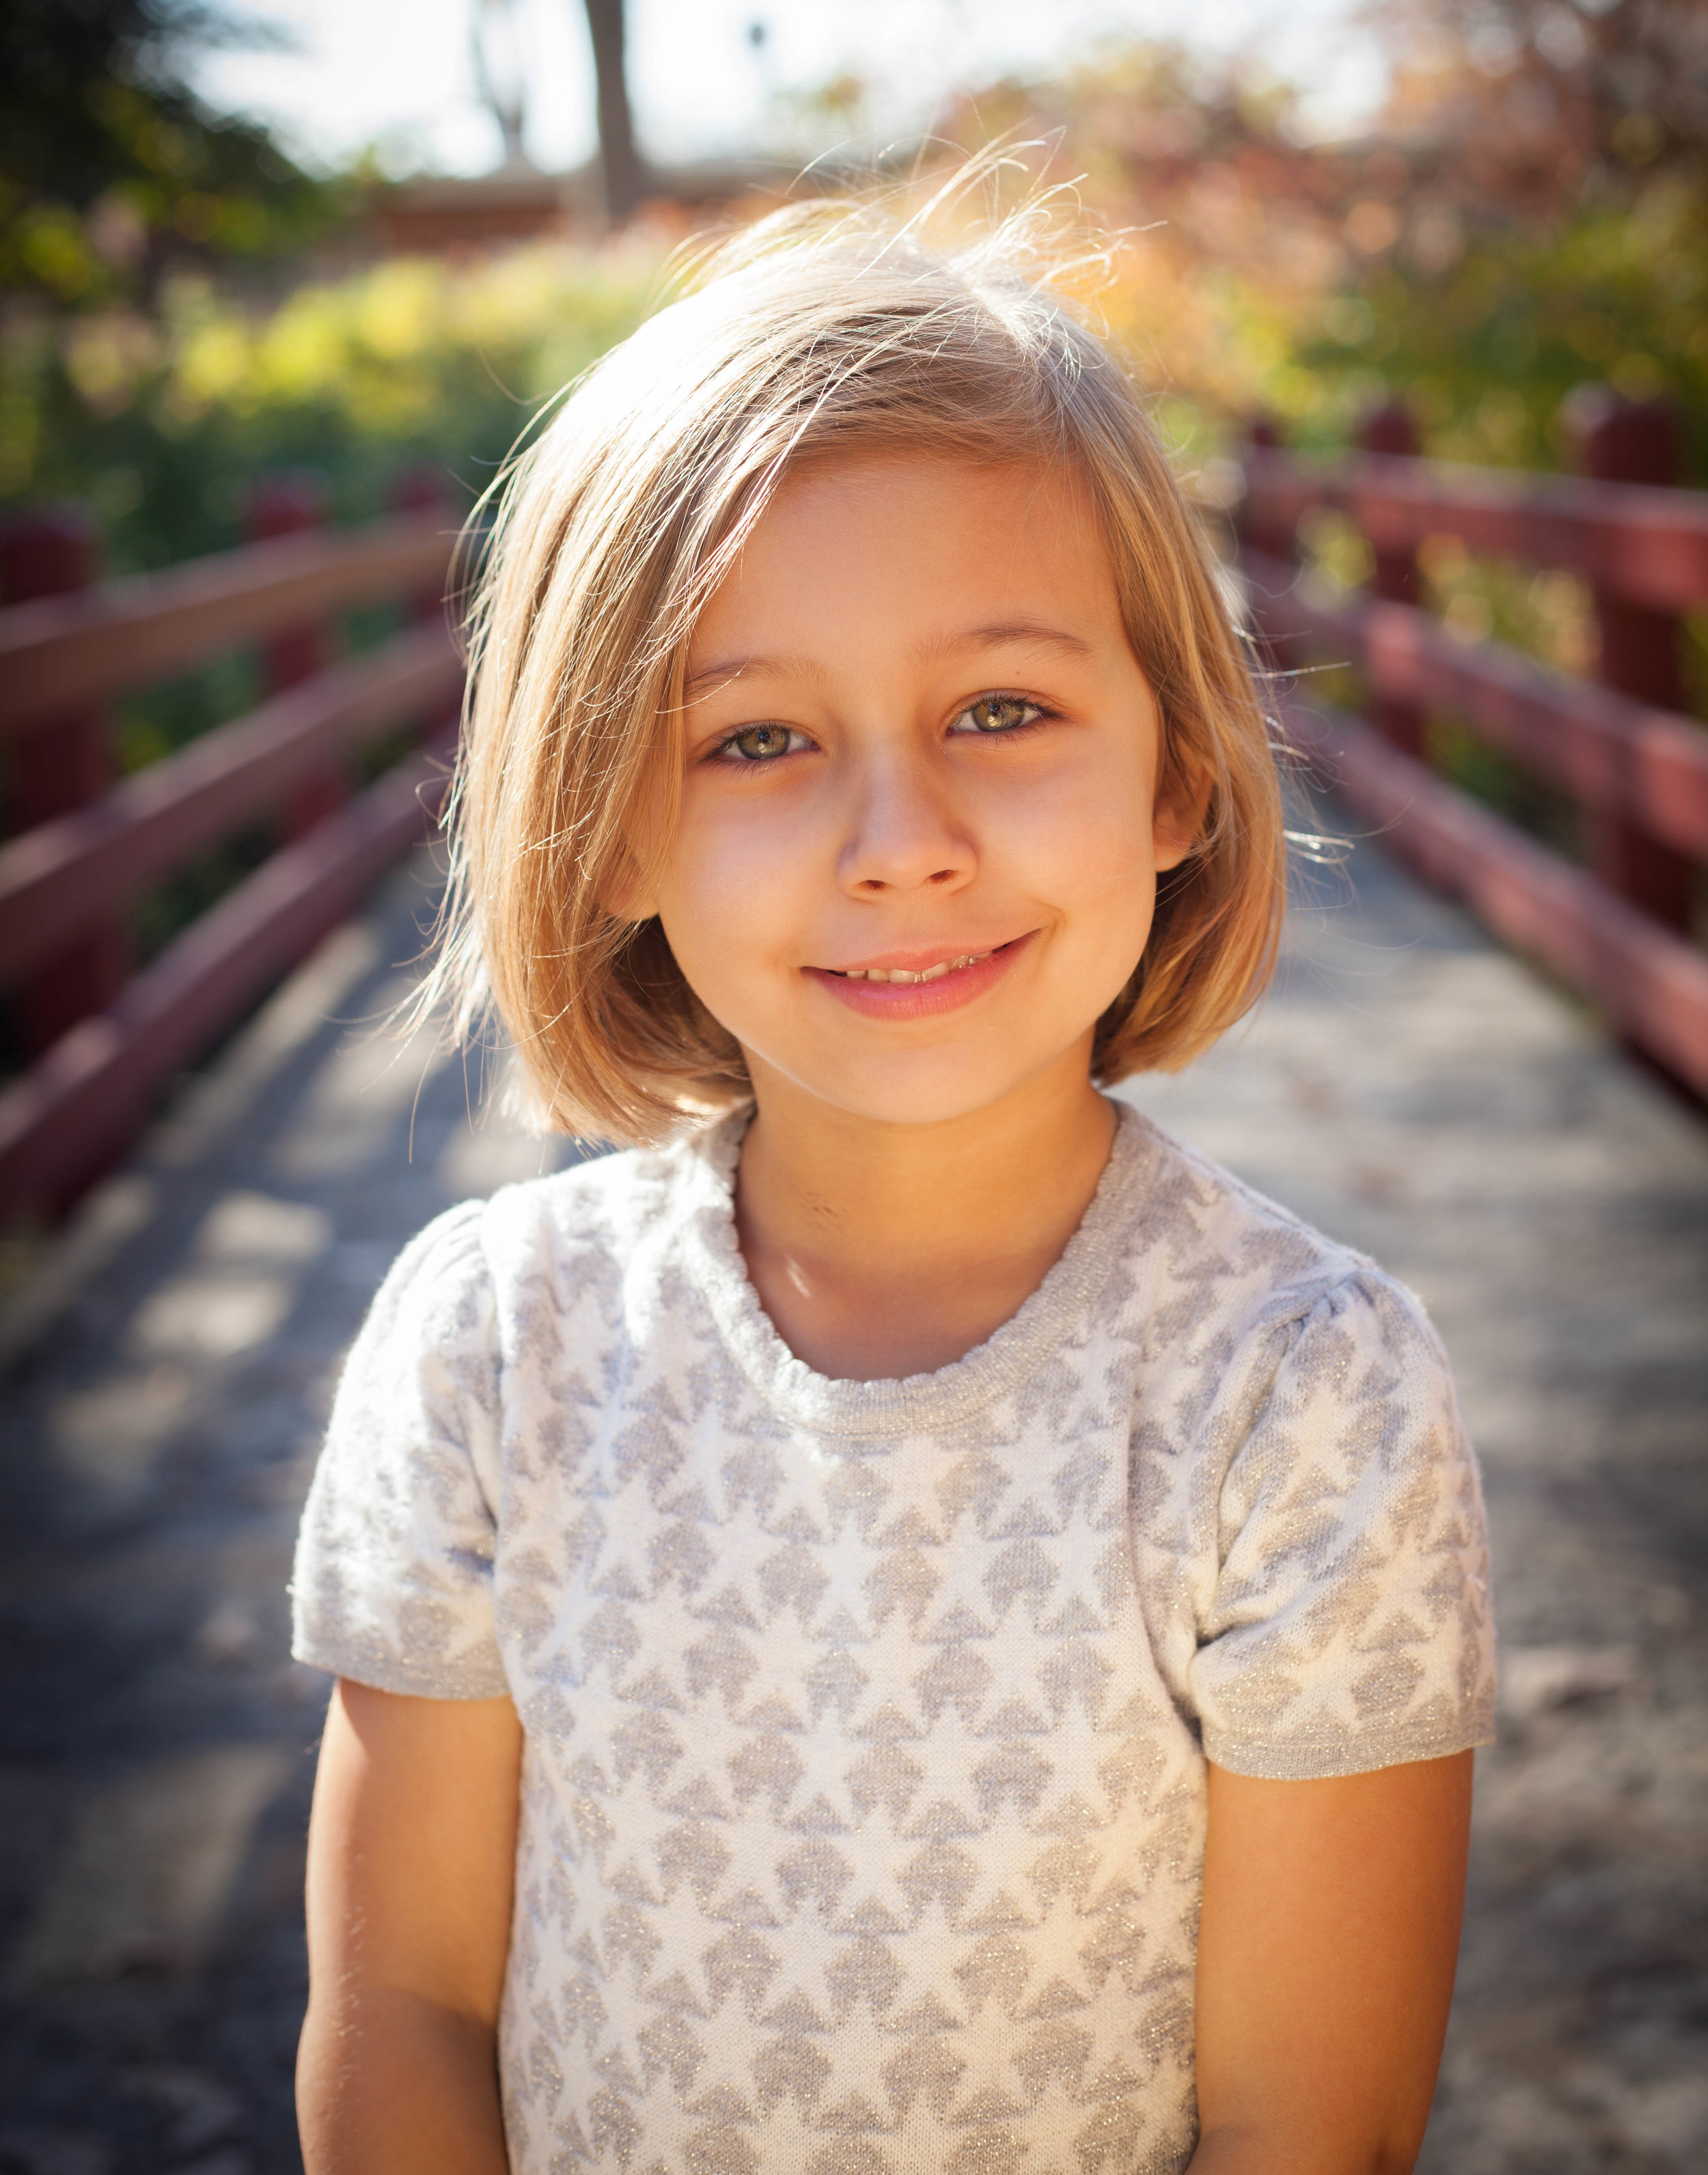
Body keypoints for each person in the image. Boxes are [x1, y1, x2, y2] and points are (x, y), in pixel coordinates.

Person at [291, 177, 1496, 2175]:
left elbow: (1310, 2131)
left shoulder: (1299, 1396)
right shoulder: (493, 1346)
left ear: (1179, 767)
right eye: (755, 743)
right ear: (604, 828)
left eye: (1002, 711)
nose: (900, 839)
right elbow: (405, 2003)